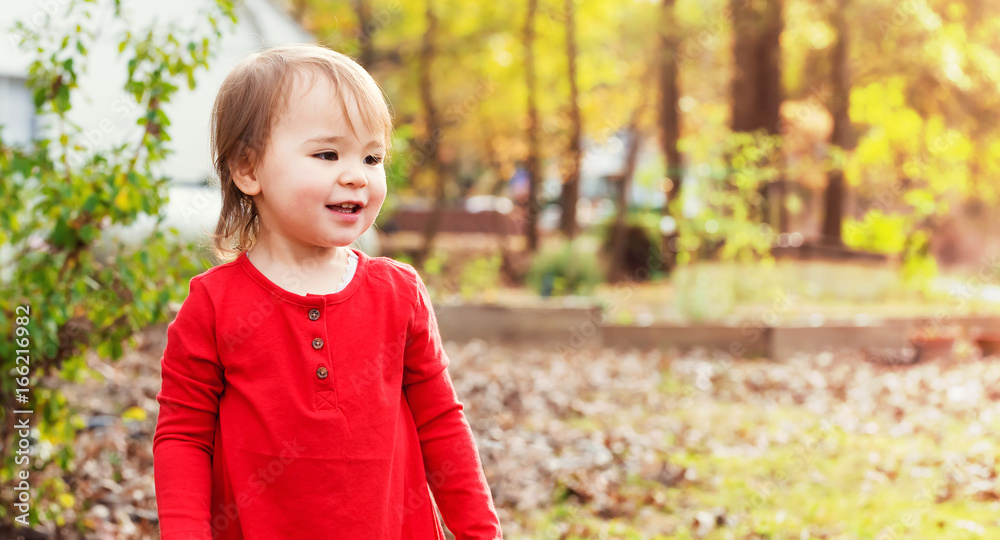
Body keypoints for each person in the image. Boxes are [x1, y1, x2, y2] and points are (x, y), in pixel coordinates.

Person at [152, 43, 503, 539]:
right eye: (327, 153)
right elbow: (183, 437)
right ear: (248, 170)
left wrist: (478, 532)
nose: (356, 175)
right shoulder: (214, 305)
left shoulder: (397, 293)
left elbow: (442, 423)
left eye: (372, 156)